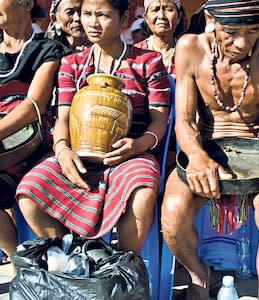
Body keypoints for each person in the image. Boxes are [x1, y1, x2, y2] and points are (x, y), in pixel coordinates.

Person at [161, 0, 259, 299]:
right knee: (172, 214)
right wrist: (196, 156)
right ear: (210, 18)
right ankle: (199, 275)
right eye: (231, 31)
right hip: (204, 144)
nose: (242, 42)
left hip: (258, 148)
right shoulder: (190, 47)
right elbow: (183, 121)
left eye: (252, 30)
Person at [16, 0, 171, 256]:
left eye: (102, 15)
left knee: (142, 186)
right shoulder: (72, 63)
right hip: (77, 153)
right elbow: (62, 118)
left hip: (130, 154)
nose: (92, 22)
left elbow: (159, 120)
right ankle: (75, 260)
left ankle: (122, 266)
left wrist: (138, 145)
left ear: (123, 20)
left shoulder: (148, 62)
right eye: (87, 14)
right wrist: (63, 150)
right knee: (30, 190)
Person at [0, 0, 68, 260]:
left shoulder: (48, 50)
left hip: (28, 142)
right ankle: (19, 256)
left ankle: (26, 258)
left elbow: (33, 106)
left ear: (26, 3)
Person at [136, 0, 186, 76]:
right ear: (146, 18)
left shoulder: (187, 53)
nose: (161, 16)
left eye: (169, 10)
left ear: (179, 17)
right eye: (155, 10)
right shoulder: (135, 54)